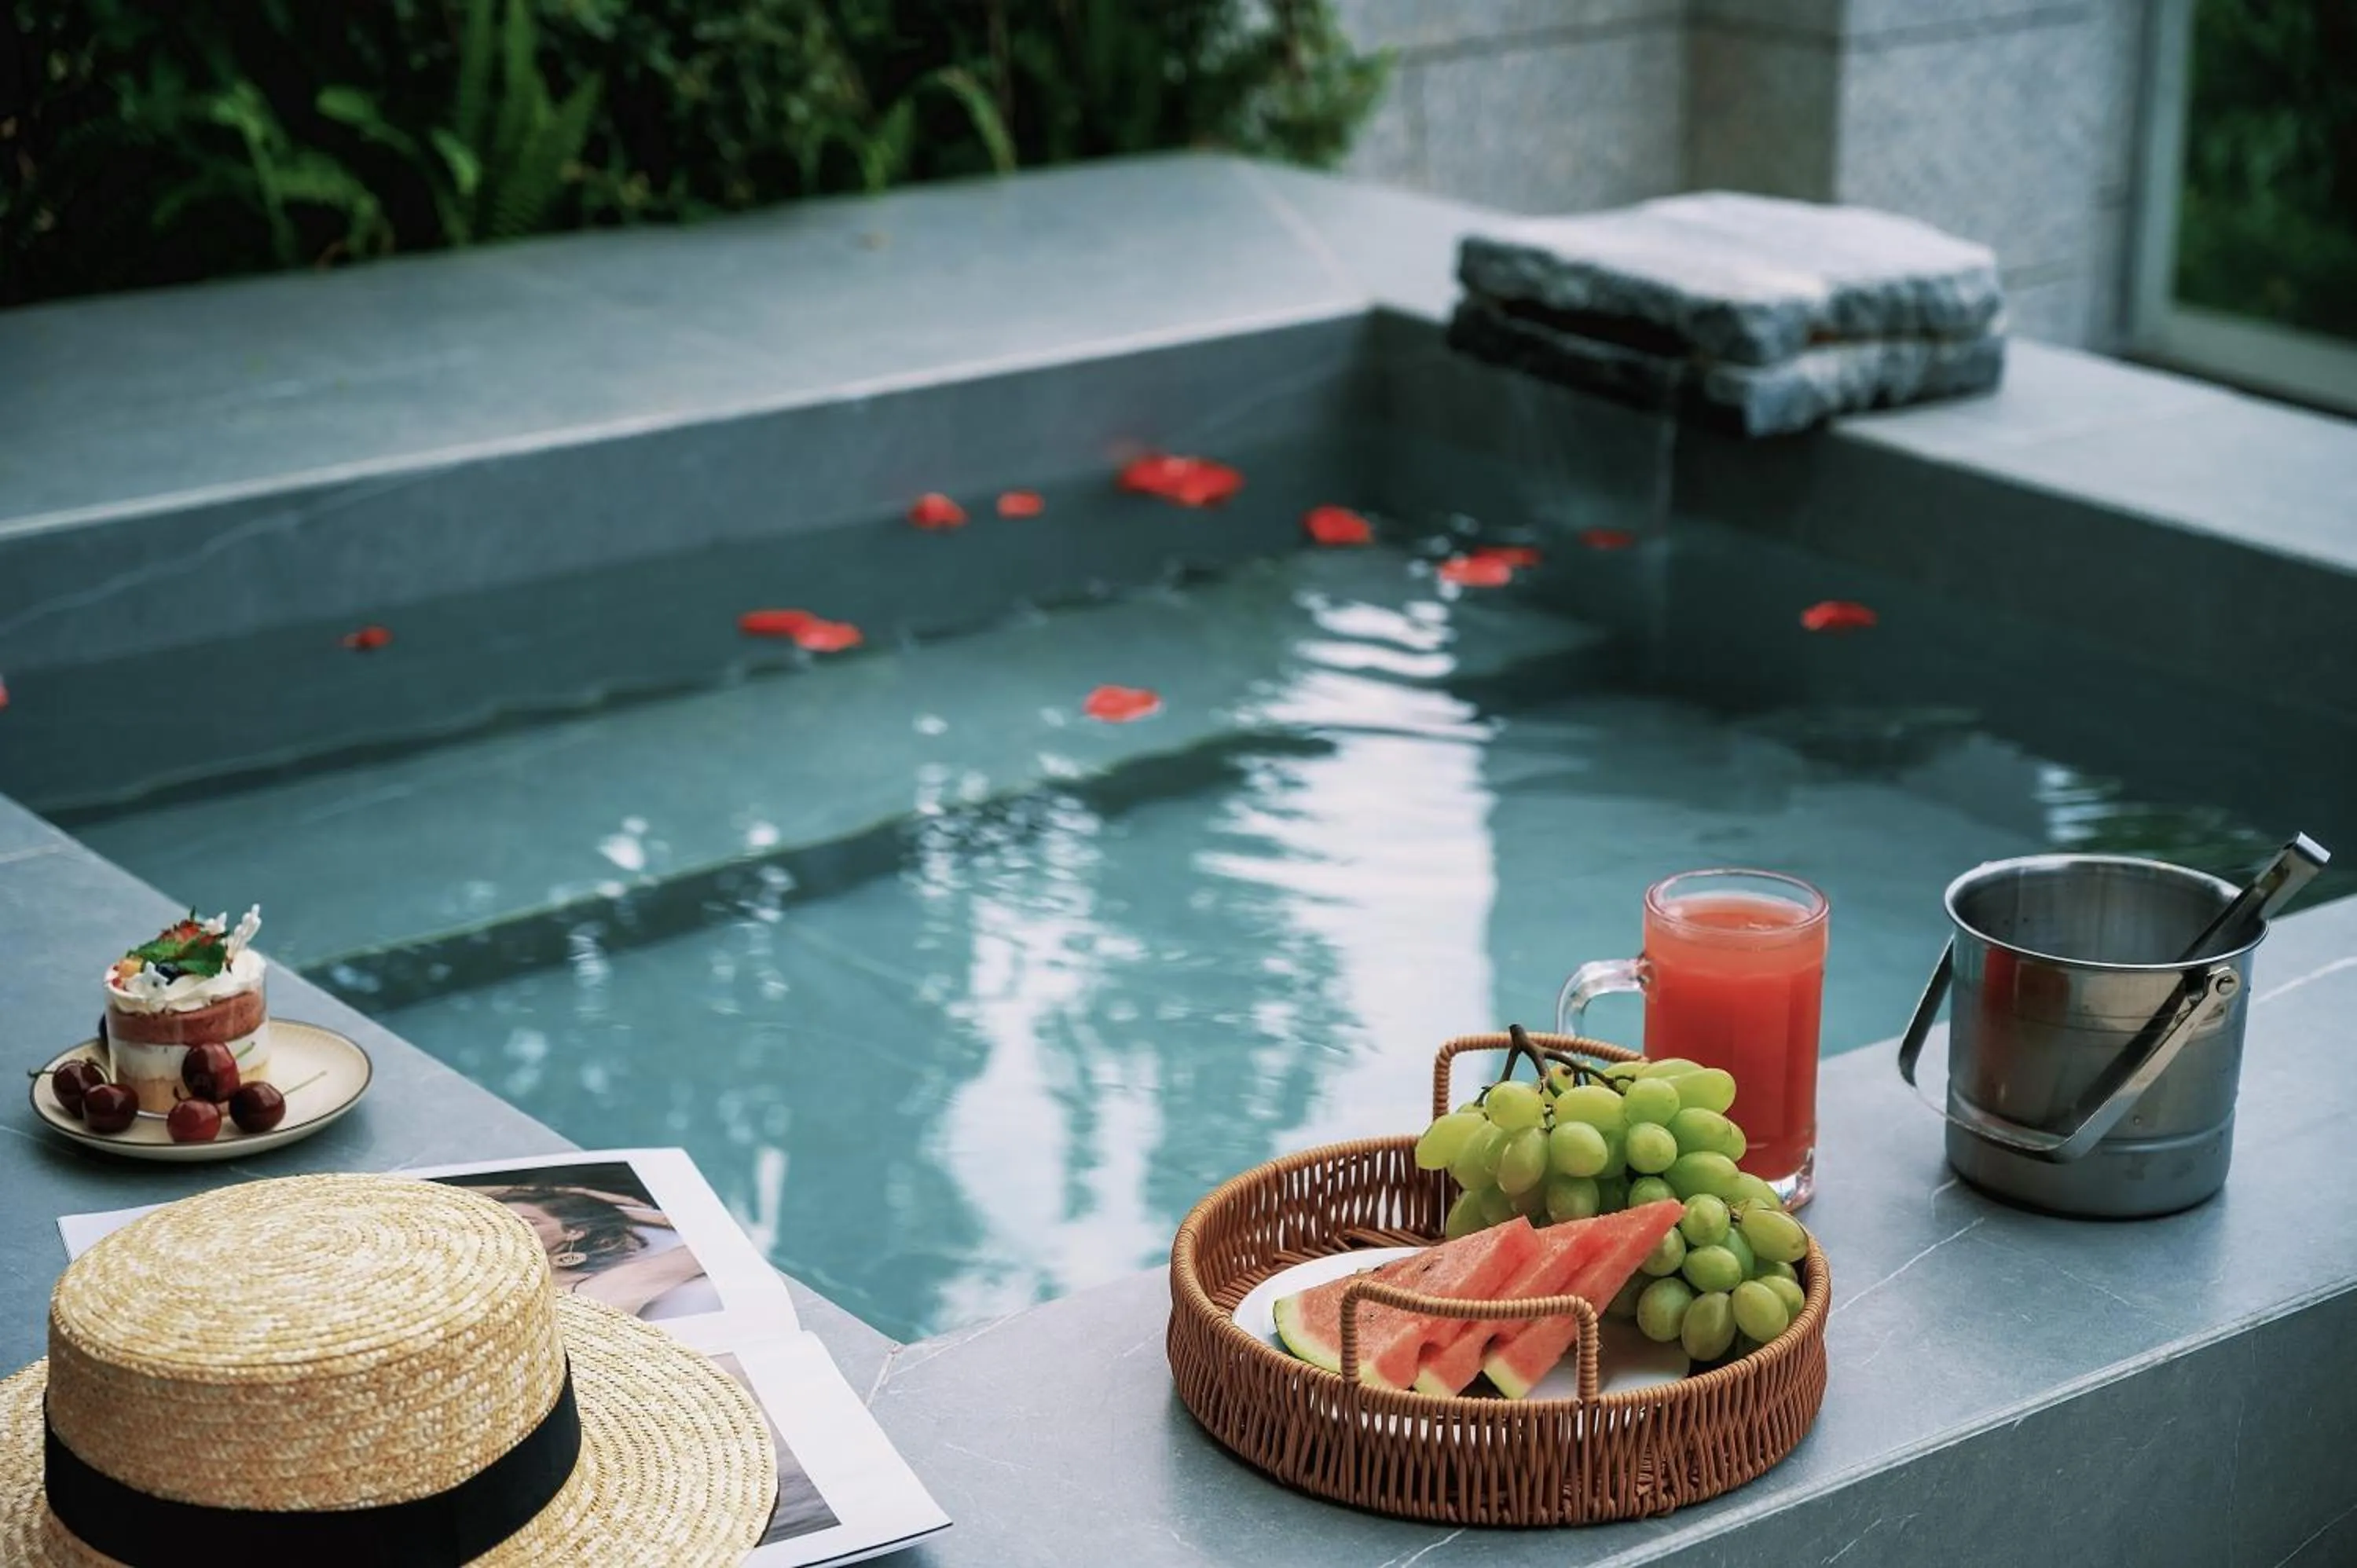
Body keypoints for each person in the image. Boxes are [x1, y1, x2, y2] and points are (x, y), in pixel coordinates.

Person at [453, 1180, 718, 1320]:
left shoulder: (599, 1289)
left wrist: (641, 1216)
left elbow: (707, 1246)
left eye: (527, 1222)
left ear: (574, 1231)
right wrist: (572, 1191)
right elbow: (424, 1191)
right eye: (493, 1219)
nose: (502, 1228)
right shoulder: (461, 1277)